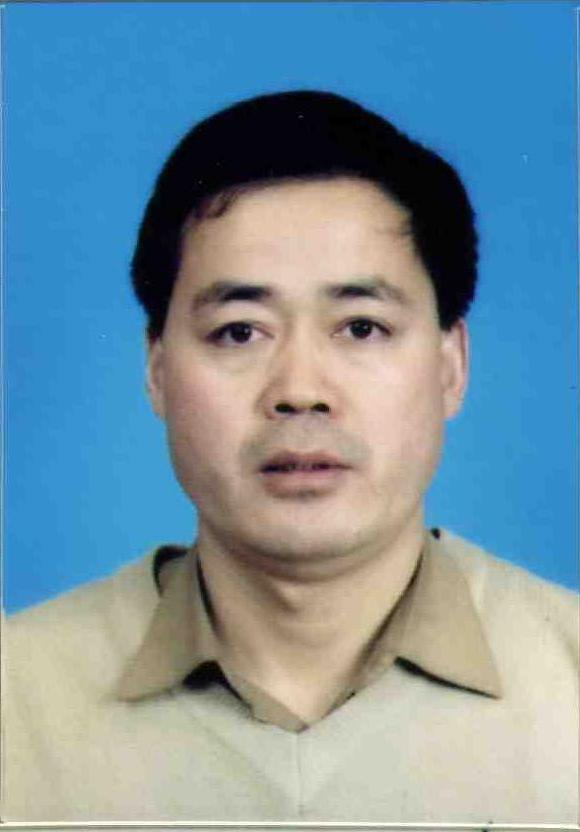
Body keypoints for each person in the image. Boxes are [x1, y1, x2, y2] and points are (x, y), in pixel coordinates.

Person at [3, 90, 577, 824]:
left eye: (361, 327)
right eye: (240, 332)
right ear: (156, 368)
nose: (301, 391)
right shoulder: (17, 699)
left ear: (451, 366)